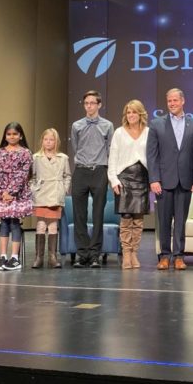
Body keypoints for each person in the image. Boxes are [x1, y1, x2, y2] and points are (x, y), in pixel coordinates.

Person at [147, 88, 193, 270]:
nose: (172, 104)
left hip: (185, 181)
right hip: (163, 181)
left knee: (180, 221)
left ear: (183, 101)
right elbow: (152, 155)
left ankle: (179, 256)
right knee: (164, 220)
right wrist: (154, 179)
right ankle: (164, 256)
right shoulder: (156, 124)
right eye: (169, 101)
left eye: (175, 100)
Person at [70, 90, 114, 268]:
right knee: (79, 215)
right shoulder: (77, 125)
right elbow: (75, 146)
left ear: (99, 105)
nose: (89, 106)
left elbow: (110, 149)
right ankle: (82, 254)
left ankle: (95, 254)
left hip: (99, 171)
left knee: (97, 215)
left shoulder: (107, 125)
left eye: (92, 103)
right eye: (86, 103)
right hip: (81, 171)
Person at [109, 100, 150, 269]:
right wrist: (113, 179)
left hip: (142, 178)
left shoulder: (148, 132)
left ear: (140, 114)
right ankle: (126, 253)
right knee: (126, 218)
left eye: (134, 112)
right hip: (124, 178)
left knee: (138, 220)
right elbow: (112, 157)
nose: (131, 115)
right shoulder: (119, 132)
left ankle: (134, 253)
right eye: (128, 112)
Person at [0, 122, 33, 271]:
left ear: (20, 136)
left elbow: (22, 174)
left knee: (15, 223)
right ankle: (3, 256)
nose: (12, 136)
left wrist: (11, 192)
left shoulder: (25, 153)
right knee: (3, 223)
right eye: (9, 134)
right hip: (2, 193)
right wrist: (3, 192)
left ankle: (15, 257)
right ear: (5, 136)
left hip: (18, 193)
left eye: (15, 134)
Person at [31, 128, 71, 269]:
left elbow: (67, 176)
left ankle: (53, 257)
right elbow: (32, 177)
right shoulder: (36, 157)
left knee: (53, 225)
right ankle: (39, 257)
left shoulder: (63, 158)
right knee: (41, 225)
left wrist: (63, 190)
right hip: (41, 194)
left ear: (56, 142)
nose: (48, 142)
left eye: (51, 139)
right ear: (42, 141)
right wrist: (33, 190)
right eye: (46, 139)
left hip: (55, 193)